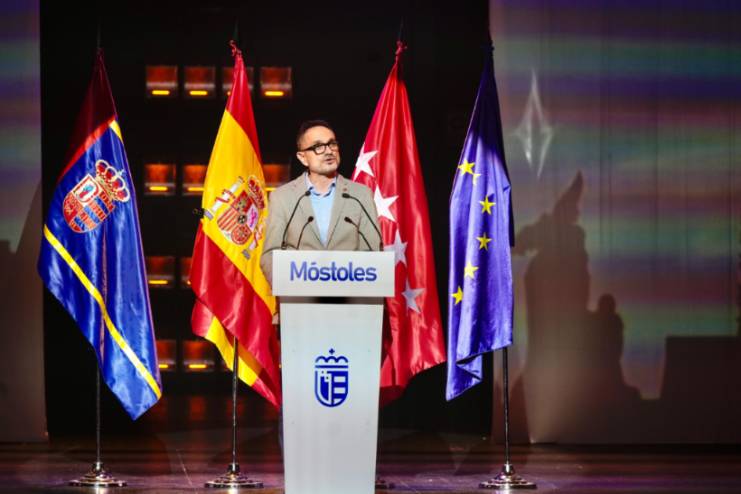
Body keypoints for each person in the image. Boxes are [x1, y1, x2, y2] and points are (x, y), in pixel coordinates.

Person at [260, 119, 381, 286]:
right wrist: (291, 287)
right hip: (299, 298)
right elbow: (270, 255)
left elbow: (373, 252)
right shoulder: (282, 197)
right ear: (303, 158)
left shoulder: (361, 195)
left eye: (332, 144)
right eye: (318, 146)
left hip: (350, 298)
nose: (329, 151)